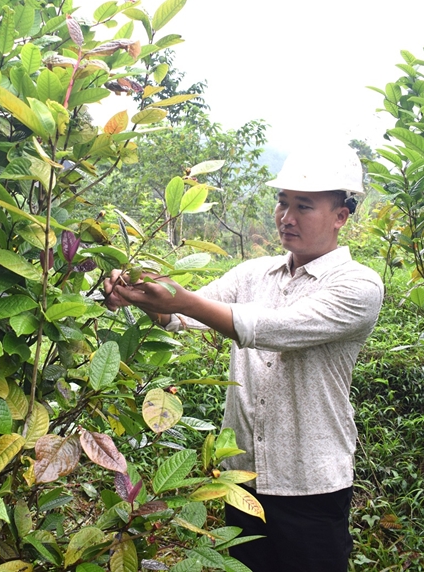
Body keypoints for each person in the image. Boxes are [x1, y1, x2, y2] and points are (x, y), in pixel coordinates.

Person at [103, 142, 384, 571]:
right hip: (242, 480)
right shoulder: (254, 273)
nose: (286, 218)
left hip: (311, 484)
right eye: (282, 202)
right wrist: (137, 292)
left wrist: (179, 299)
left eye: (303, 207)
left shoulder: (359, 286)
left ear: (341, 216)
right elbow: (179, 317)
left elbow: (269, 329)